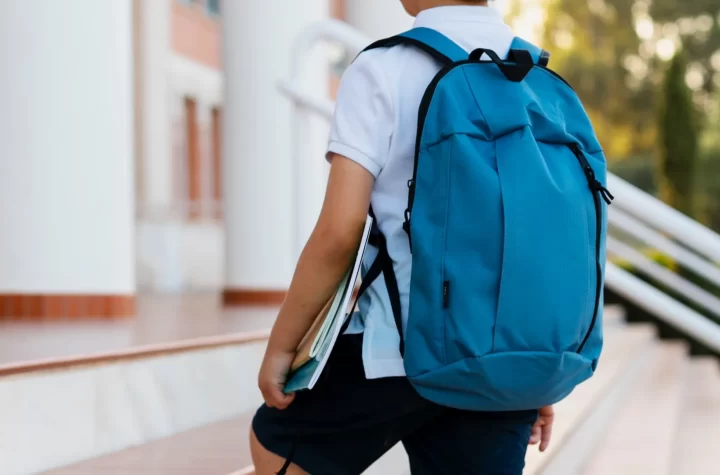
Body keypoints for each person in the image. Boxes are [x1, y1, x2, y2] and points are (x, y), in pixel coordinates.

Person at [250, 1, 555, 474]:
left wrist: (282, 346)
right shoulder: (534, 74)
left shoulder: (384, 68)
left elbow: (339, 231)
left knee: (274, 442)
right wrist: (535, 369)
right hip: (504, 359)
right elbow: (540, 238)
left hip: (398, 352)